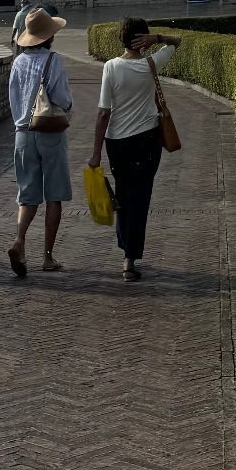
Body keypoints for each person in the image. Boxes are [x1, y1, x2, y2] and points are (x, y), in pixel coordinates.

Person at [89, 18, 177, 282]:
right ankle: (130, 257)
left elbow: (104, 113)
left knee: (124, 195)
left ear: (121, 39)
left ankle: (126, 252)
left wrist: (95, 153)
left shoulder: (111, 67)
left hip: (118, 142)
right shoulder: (151, 64)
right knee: (141, 197)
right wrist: (158, 38)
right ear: (143, 39)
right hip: (147, 140)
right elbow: (178, 42)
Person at [7, 7, 73, 277]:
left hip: (23, 133)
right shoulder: (54, 61)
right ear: (50, 36)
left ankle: (20, 241)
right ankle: (47, 256)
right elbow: (62, 98)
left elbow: (12, 98)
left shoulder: (18, 62)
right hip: (50, 132)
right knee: (54, 195)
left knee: (27, 194)